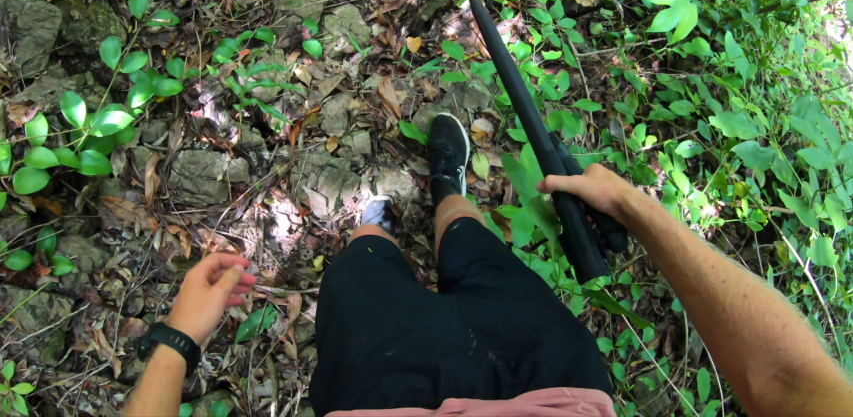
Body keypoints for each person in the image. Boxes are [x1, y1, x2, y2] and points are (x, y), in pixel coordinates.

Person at [124, 113, 853, 416]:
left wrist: (177, 345)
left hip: (378, 395)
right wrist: (631, 205)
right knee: (472, 250)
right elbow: (785, 381)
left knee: (364, 265)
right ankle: (448, 191)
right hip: (555, 382)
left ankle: (374, 229)